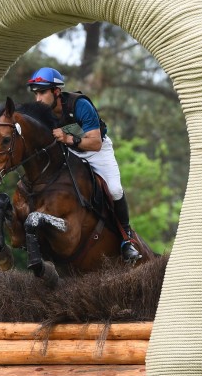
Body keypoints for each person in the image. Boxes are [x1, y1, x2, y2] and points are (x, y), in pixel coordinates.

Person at [26, 66, 141, 262]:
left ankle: (127, 240)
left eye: (42, 92)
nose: (38, 99)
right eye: (36, 94)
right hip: (69, 152)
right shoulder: (44, 114)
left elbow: (95, 143)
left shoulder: (80, 105)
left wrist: (68, 138)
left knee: (114, 190)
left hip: (97, 151)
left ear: (56, 91)